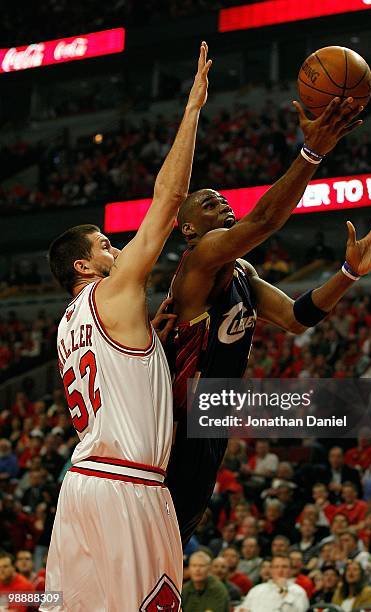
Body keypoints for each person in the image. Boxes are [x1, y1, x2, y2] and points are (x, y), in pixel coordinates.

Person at [166, 94, 371, 546]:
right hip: (181, 420)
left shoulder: (241, 273)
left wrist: (349, 273)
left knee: (174, 541)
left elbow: (297, 318)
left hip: (212, 420)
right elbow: (261, 222)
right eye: (209, 203)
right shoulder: (199, 260)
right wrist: (311, 153)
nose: (222, 204)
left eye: (223, 201)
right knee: (159, 542)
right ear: (189, 229)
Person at [42, 43, 212, 611]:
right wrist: (191, 112)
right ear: (83, 267)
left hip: (81, 486)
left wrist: (153, 343)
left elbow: (118, 375)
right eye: (105, 246)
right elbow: (167, 203)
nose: (116, 251)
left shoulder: (68, 323)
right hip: (127, 487)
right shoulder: (111, 291)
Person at [235, 554, 309, 612]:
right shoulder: (257, 590)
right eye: (276, 567)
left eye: (284, 567)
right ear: (271, 570)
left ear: (290, 570)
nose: (280, 570)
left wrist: (283, 590)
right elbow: (242, 608)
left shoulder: (298, 591)